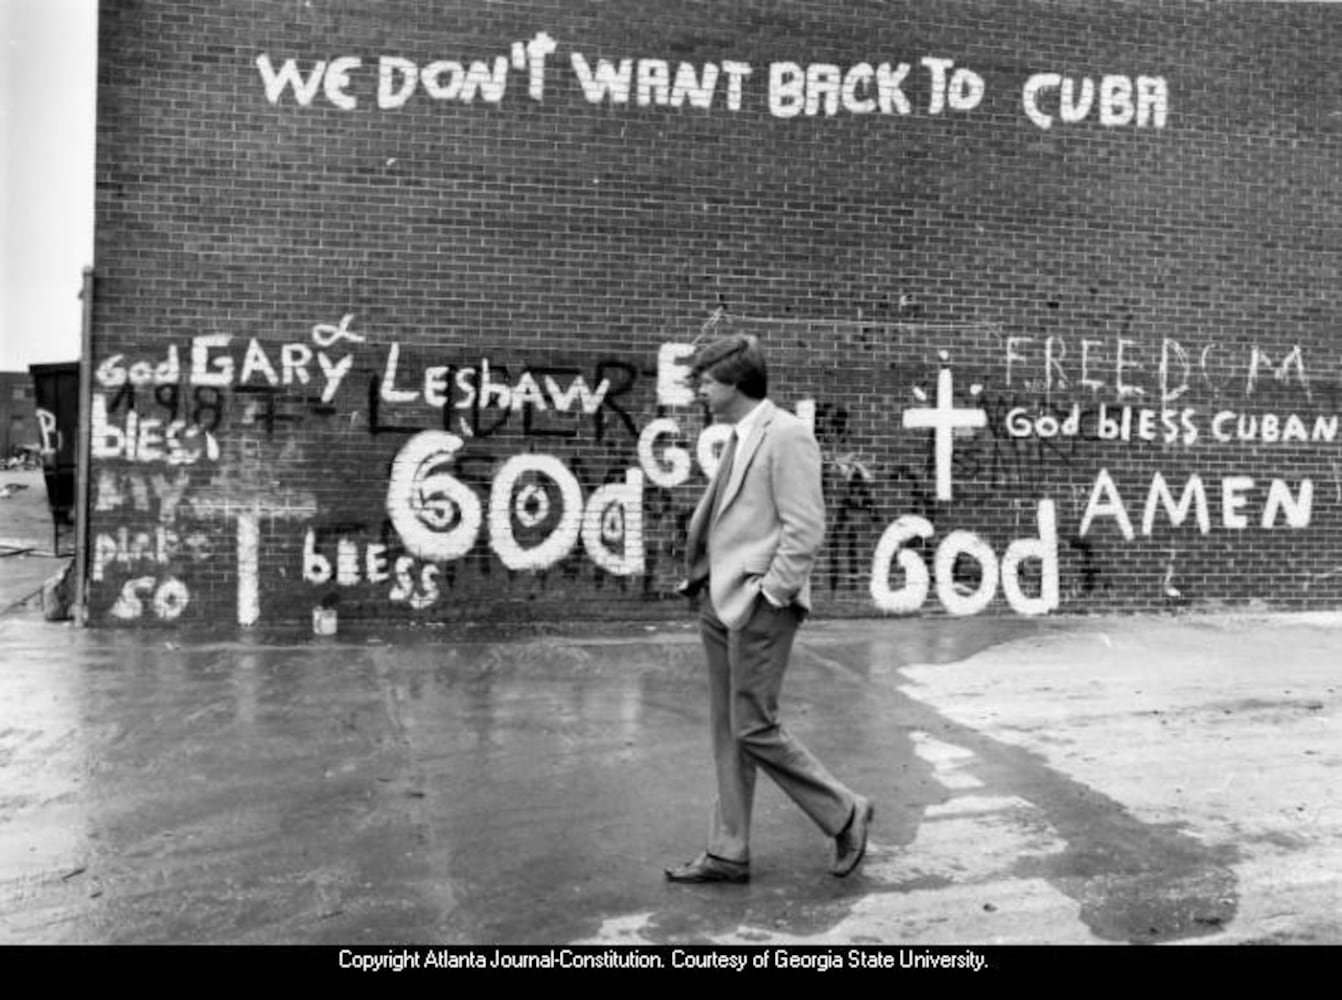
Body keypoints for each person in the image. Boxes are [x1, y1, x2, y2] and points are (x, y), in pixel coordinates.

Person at [666, 334, 873, 884]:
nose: (700, 391)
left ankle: (844, 811)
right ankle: (728, 849)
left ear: (734, 383)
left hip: (758, 604)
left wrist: (771, 594)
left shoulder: (787, 436)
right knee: (727, 729)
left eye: (706, 381)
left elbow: (805, 528)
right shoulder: (740, 436)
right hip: (718, 598)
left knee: (754, 727)